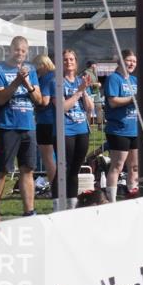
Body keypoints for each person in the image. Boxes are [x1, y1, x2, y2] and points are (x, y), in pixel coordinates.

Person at [0, 36, 42, 216]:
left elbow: (39, 100)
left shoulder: (31, 70)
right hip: (7, 126)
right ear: (10, 49)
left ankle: (29, 211)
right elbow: (0, 98)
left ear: (27, 52)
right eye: (17, 49)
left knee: (27, 169)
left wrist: (27, 83)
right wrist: (16, 82)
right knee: (2, 170)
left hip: (28, 125)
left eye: (23, 50)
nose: (19, 53)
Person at [54, 49, 94, 208]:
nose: (68, 62)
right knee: (64, 168)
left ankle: (72, 204)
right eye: (65, 59)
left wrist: (84, 91)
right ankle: (57, 204)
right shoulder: (58, 82)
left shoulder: (81, 81)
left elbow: (90, 108)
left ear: (76, 63)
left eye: (71, 59)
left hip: (81, 129)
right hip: (66, 130)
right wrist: (78, 92)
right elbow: (62, 107)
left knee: (75, 169)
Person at [104, 49, 138, 203]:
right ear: (121, 61)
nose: (132, 64)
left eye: (134, 61)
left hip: (134, 128)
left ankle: (133, 195)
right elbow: (113, 101)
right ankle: (111, 200)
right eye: (129, 60)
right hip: (118, 129)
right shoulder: (113, 78)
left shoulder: (134, 80)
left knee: (135, 166)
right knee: (118, 165)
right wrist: (132, 99)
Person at [34, 54, 58, 192]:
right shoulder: (57, 75)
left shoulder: (45, 78)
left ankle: (55, 187)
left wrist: (33, 100)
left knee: (48, 158)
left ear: (42, 65)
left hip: (45, 121)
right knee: (56, 157)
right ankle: (58, 186)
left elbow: (44, 101)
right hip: (57, 121)